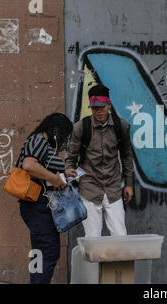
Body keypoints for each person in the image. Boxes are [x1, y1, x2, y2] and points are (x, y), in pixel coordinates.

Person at [65, 84, 134, 237]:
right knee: (93, 239)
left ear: (109, 105)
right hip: (89, 187)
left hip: (113, 188)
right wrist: (69, 170)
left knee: (120, 236)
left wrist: (129, 184)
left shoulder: (120, 126)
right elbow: (71, 157)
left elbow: (127, 156)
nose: (98, 111)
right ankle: (94, 262)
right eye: (95, 108)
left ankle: (118, 262)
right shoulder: (81, 127)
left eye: (102, 107)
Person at [18, 112, 73, 284]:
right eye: (63, 134)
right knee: (49, 250)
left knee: (39, 251)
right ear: (56, 130)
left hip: (39, 205)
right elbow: (29, 165)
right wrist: (55, 178)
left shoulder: (42, 143)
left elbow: (42, 165)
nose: (63, 139)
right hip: (36, 205)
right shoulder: (38, 140)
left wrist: (64, 172)